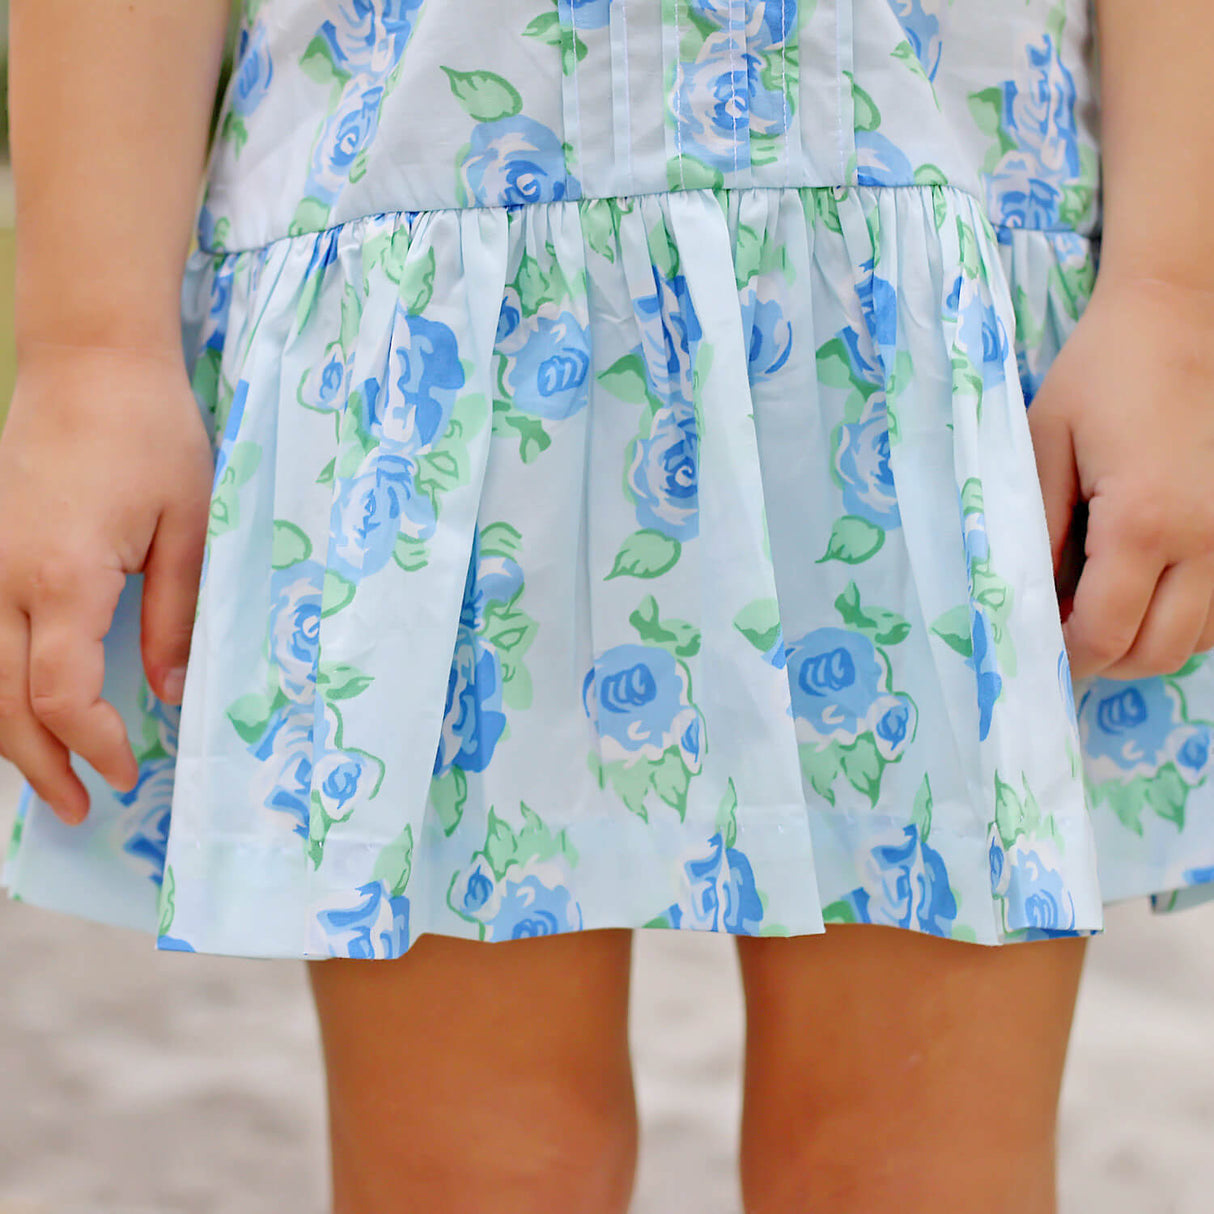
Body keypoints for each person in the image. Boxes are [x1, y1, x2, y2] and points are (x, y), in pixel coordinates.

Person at [3, 0, 1214, 1210]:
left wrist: (1176, 301)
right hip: (432, 310)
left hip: (926, 272)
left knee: (911, 1172)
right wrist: (91, 353)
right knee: (478, 1174)